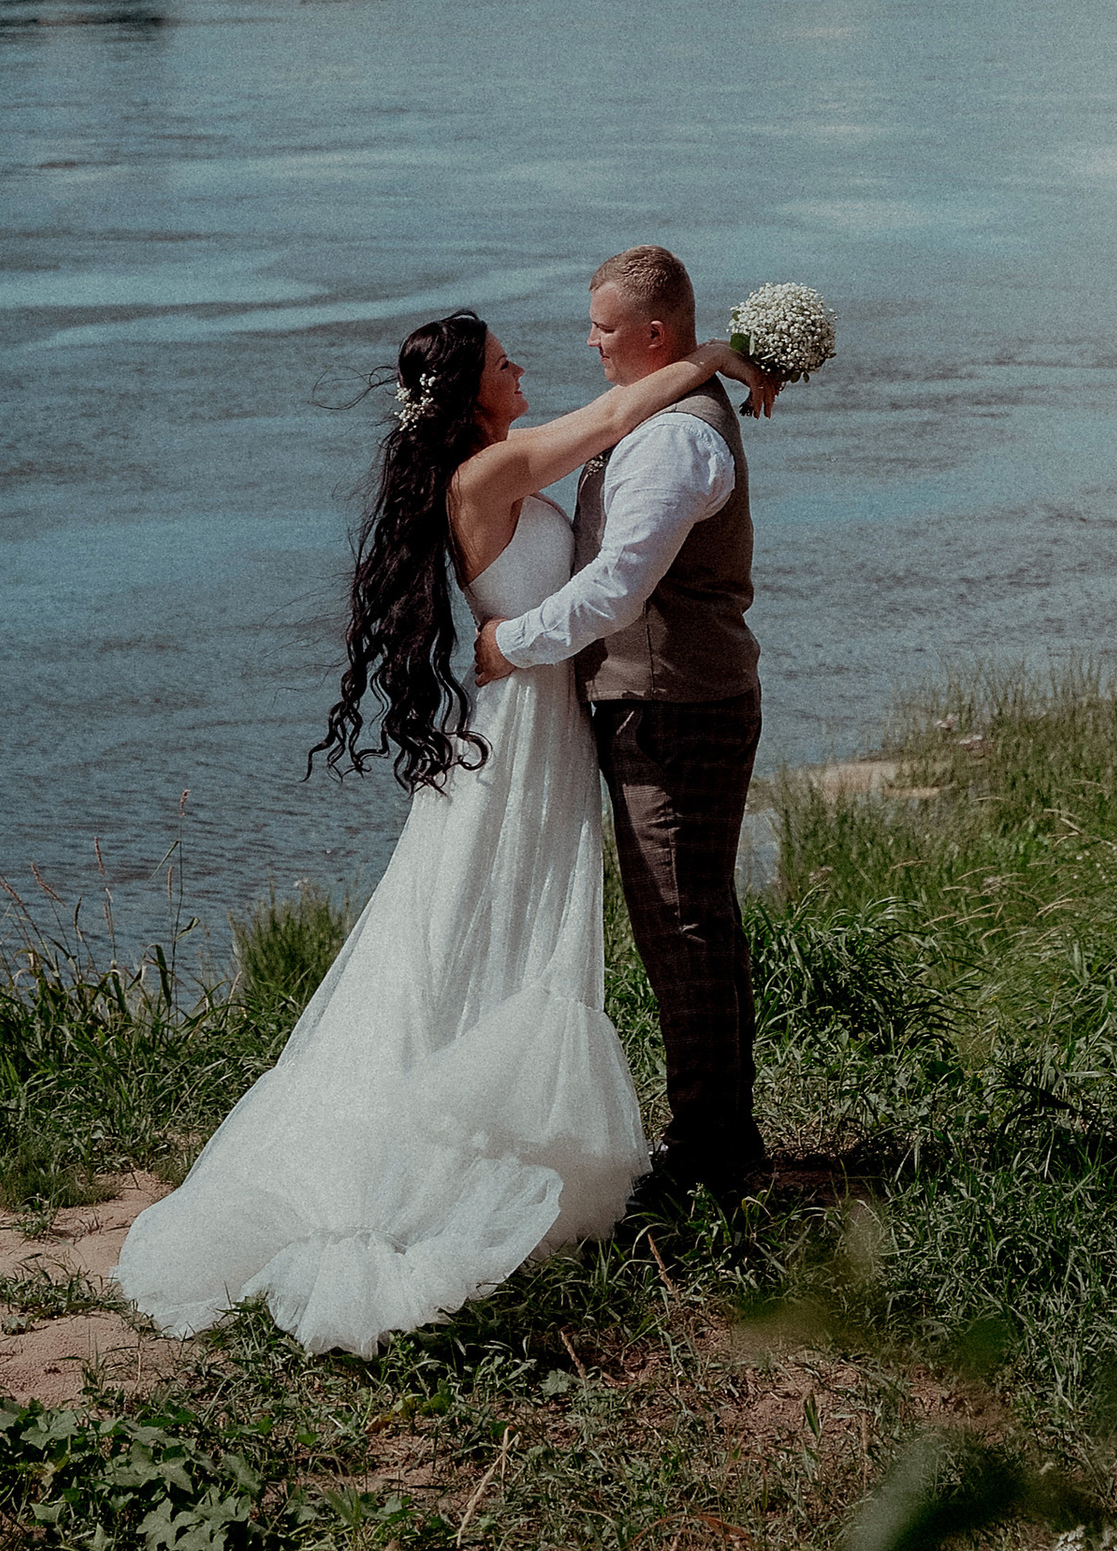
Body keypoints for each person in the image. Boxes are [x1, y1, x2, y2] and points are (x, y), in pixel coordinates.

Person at [112, 306, 723, 1358]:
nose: (523, 368)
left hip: (535, 717)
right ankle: (433, 1163)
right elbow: (617, 412)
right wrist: (726, 354)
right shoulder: (491, 471)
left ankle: (486, 1142)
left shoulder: (493, 464)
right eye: (504, 364)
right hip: (522, 728)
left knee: (489, 920)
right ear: (471, 397)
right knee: (480, 921)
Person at [474, 243, 782, 1234]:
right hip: (666, 701)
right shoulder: (652, 415)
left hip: (676, 705)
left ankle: (711, 1153)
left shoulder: (675, 442)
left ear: (653, 333)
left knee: (682, 923)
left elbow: (616, 590)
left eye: (603, 329)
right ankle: (722, 1137)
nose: (590, 342)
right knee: (690, 919)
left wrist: (509, 645)